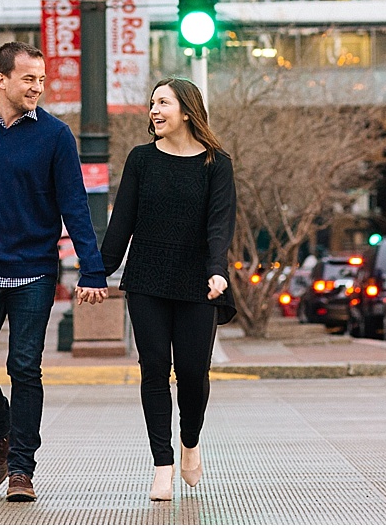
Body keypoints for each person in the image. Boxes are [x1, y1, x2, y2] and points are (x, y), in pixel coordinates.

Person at [0, 40, 109, 503]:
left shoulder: (55, 136)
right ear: (2, 80)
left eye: (41, 78)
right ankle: (2, 430)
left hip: (35, 269)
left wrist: (91, 271)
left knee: (25, 368)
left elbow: (76, 207)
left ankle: (22, 470)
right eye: (28, 78)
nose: (38, 86)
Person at [101, 77, 236, 502]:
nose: (154, 111)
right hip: (148, 279)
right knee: (154, 369)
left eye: (163, 103)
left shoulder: (218, 163)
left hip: (199, 280)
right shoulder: (141, 160)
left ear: (187, 110)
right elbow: (121, 222)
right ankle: (162, 464)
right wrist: (95, 274)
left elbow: (220, 224)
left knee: (193, 373)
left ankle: (190, 442)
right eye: (152, 104)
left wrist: (217, 270)